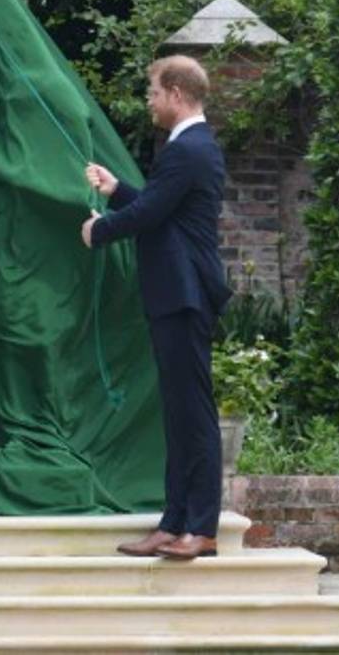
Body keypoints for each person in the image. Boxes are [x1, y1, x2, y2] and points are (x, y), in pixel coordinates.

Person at [80, 55, 231, 560]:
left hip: (185, 296)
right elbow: (160, 210)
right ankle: (174, 523)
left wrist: (99, 229)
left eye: (152, 91)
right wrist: (117, 190)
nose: (149, 100)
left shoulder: (188, 149)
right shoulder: (187, 149)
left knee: (193, 414)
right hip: (176, 294)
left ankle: (201, 529)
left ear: (175, 93)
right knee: (178, 412)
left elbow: (150, 215)